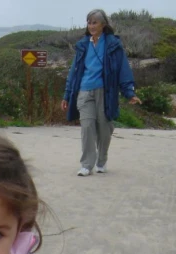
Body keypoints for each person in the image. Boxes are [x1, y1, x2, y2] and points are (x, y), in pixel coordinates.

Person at [61, 8, 142, 176]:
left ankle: (102, 159)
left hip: (105, 92)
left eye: (94, 22)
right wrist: (67, 95)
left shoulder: (113, 45)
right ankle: (86, 164)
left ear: (103, 25)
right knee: (87, 126)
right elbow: (74, 72)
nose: (91, 25)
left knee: (105, 129)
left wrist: (129, 93)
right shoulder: (83, 45)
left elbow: (123, 70)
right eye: (89, 22)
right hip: (84, 90)